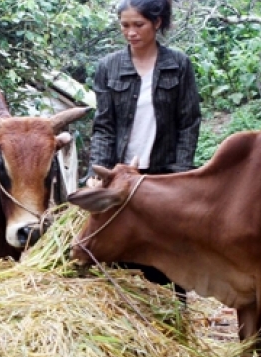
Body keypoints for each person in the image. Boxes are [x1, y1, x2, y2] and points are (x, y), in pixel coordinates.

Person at [85, 0, 201, 302]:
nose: (131, 32)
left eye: (139, 25)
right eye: (125, 25)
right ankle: (132, 327)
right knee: (123, 251)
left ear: (157, 23)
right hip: (120, 176)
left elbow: (188, 122)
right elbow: (104, 126)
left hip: (163, 176)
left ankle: (174, 323)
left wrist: (181, 174)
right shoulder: (109, 67)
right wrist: (96, 172)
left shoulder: (178, 64)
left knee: (168, 253)